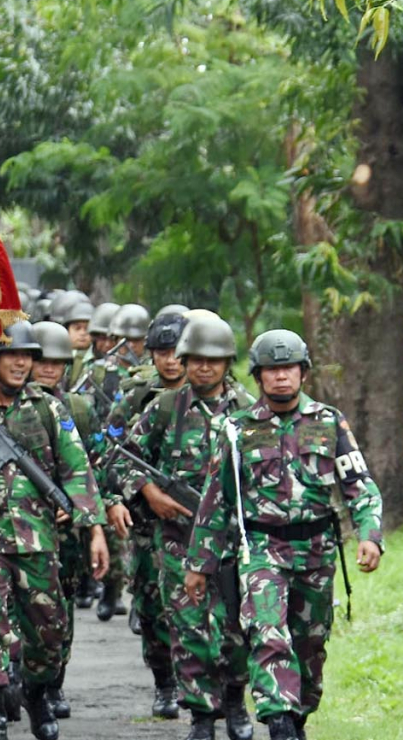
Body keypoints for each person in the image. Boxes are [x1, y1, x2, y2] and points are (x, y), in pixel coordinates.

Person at [185, 330, 384, 740]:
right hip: (261, 550)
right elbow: (215, 501)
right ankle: (278, 721)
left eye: (288, 368)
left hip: (316, 552)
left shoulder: (329, 422)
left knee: (310, 648)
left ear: (303, 373)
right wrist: (200, 565)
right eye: (272, 370)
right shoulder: (235, 428)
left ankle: (297, 716)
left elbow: (359, 485)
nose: (281, 377)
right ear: (258, 377)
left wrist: (370, 535)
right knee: (267, 634)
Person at [0, 321, 108, 740]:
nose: (21, 363)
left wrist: (93, 527)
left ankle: (36, 693)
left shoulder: (49, 410)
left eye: (27, 356)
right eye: (12, 355)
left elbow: (77, 469)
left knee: (50, 631)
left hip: (38, 538)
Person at [118, 315, 255, 740]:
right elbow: (120, 458)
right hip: (178, 540)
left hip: (233, 542)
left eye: (213, 360)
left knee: (235, 629)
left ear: (228, 361)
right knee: (187, 630)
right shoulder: (165, 407)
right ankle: (200, 714)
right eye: (196, 359)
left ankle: (235, 702)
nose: (204, 368)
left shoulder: (250, 410)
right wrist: (149, 492)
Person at [100, 310, 188, 719]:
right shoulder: (136, 395)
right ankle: (165, 683)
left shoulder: (222, 393)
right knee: (154, 605)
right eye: (162, 351)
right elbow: (110, 453)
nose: (170, 360)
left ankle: (211, 685)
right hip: (149, 522)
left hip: (203, 521)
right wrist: (121, 497)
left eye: (177, 351)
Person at [28, 320, 109, 721]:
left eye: (58, 363)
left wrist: (83, 509)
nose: (48, 370)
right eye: (42, 361)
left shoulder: (78, 408)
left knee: (59, 606)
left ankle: (53, 681)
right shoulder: (3, 405)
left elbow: (92, 464)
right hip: (16, 520)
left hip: (66, 525)